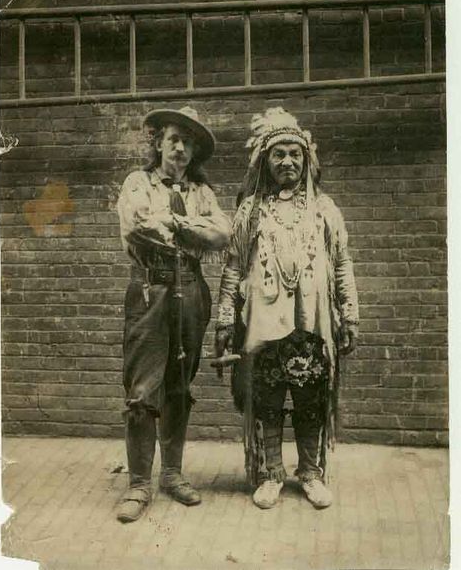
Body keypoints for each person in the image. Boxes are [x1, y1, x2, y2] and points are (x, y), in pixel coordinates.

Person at [215, 107, 358, 510]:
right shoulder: (251, 212)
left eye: (294, 154)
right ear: (265, 161)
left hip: (312, 326)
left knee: (312, 398)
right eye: (278, 155)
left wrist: (350, 314)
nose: (287, 162)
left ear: (307, 160)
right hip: (264, 326)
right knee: (268, 399)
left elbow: (342, 264)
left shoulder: (324, 209)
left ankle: (310, 473)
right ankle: (272, 473)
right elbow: (233, 268)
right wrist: (225, 318)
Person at [116, 106, 231, 522]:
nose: (181, 148)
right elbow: (139, 226)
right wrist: (189, 226)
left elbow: (221, 233)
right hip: (151, 288)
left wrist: (175, 223)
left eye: (188, 142)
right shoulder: (137, 183)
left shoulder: (203, 192)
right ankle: (138, 484)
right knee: (144, 387)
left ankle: (172, 474)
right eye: (174, 140)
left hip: (191, 288)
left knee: (181, 382)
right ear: (159, 144)